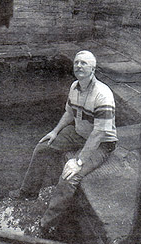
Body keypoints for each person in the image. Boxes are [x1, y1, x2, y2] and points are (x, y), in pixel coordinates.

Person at [9, 50, 118, 236]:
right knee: (43, 147)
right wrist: (55, 131)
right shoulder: (75, 86)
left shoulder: (102, 94)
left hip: (101, 143)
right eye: (76, 62)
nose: (79, 66)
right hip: (78, 133)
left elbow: (99, 133)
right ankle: (28, 192)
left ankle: (47, 224)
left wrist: (79, 161)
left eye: (84, 63)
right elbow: (69, 113)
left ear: (93, 68)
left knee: (69, 176)